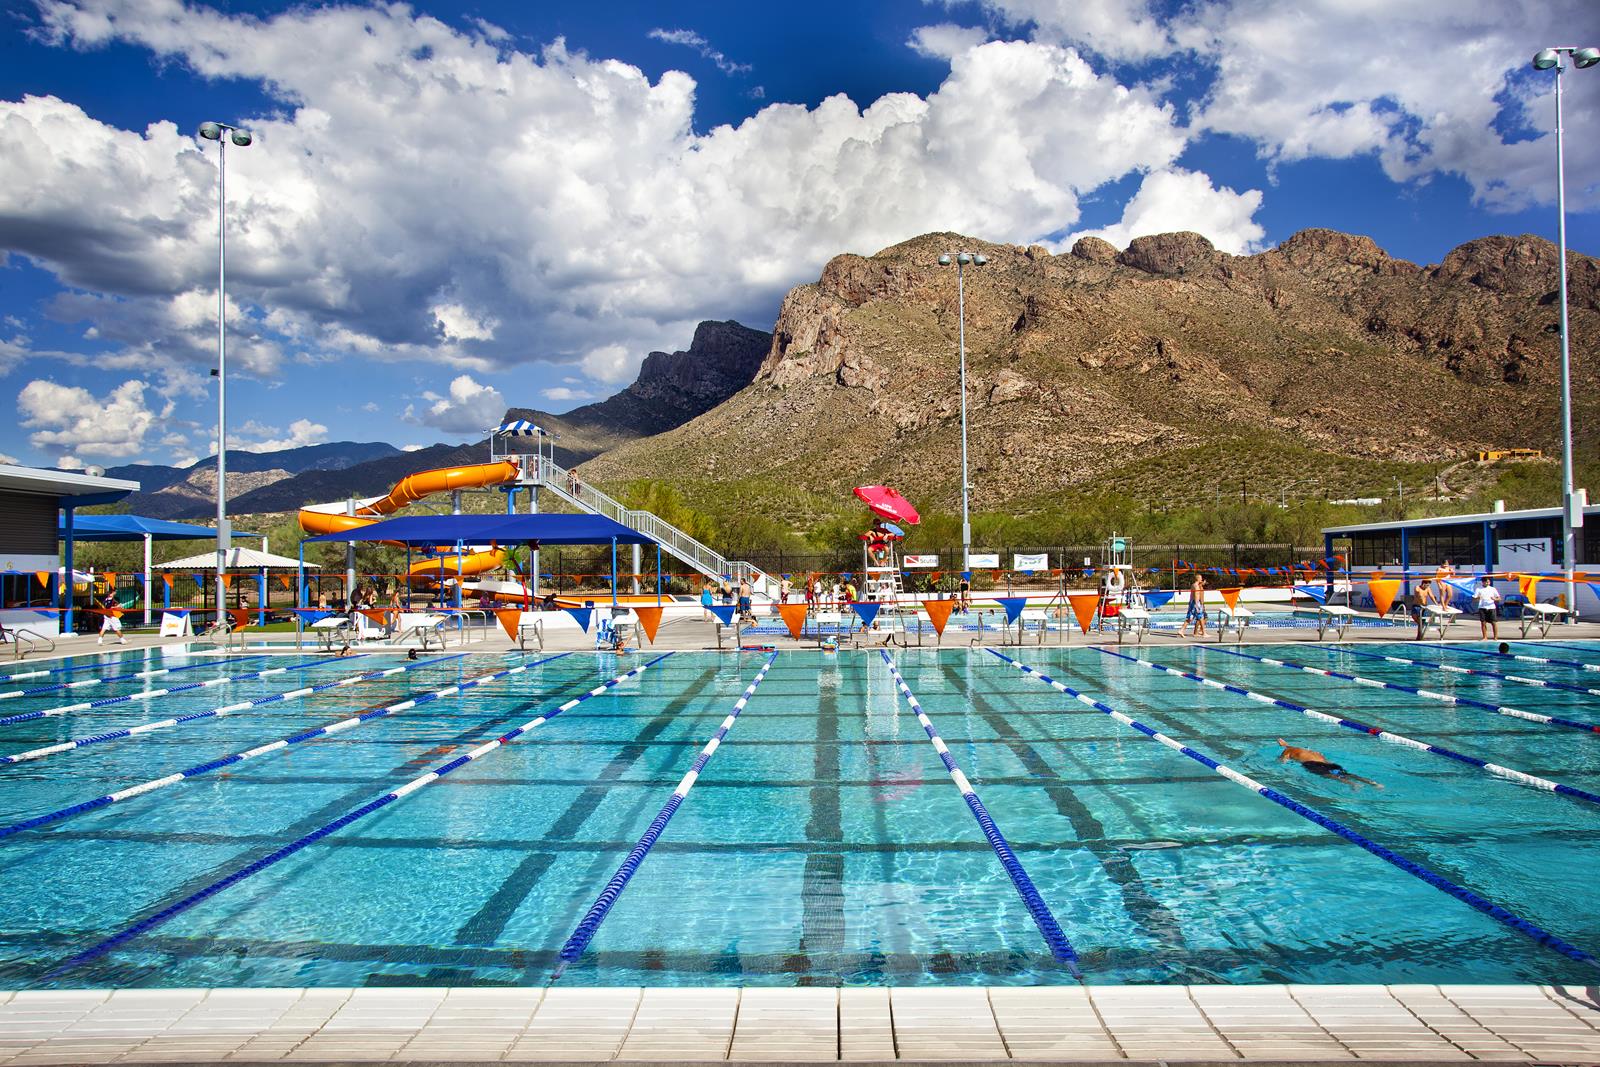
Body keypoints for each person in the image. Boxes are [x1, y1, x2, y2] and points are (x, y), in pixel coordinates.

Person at [1277, 739, 1382, 790]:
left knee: (1328, 775)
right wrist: (1286, 745)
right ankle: (1372, 783)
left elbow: (1282, 762)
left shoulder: (1287, 752)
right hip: (1329, 763)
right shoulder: (1308, 751)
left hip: (1312, 764)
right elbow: (1292, 748)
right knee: (1349, 774)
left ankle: (1352, 784)